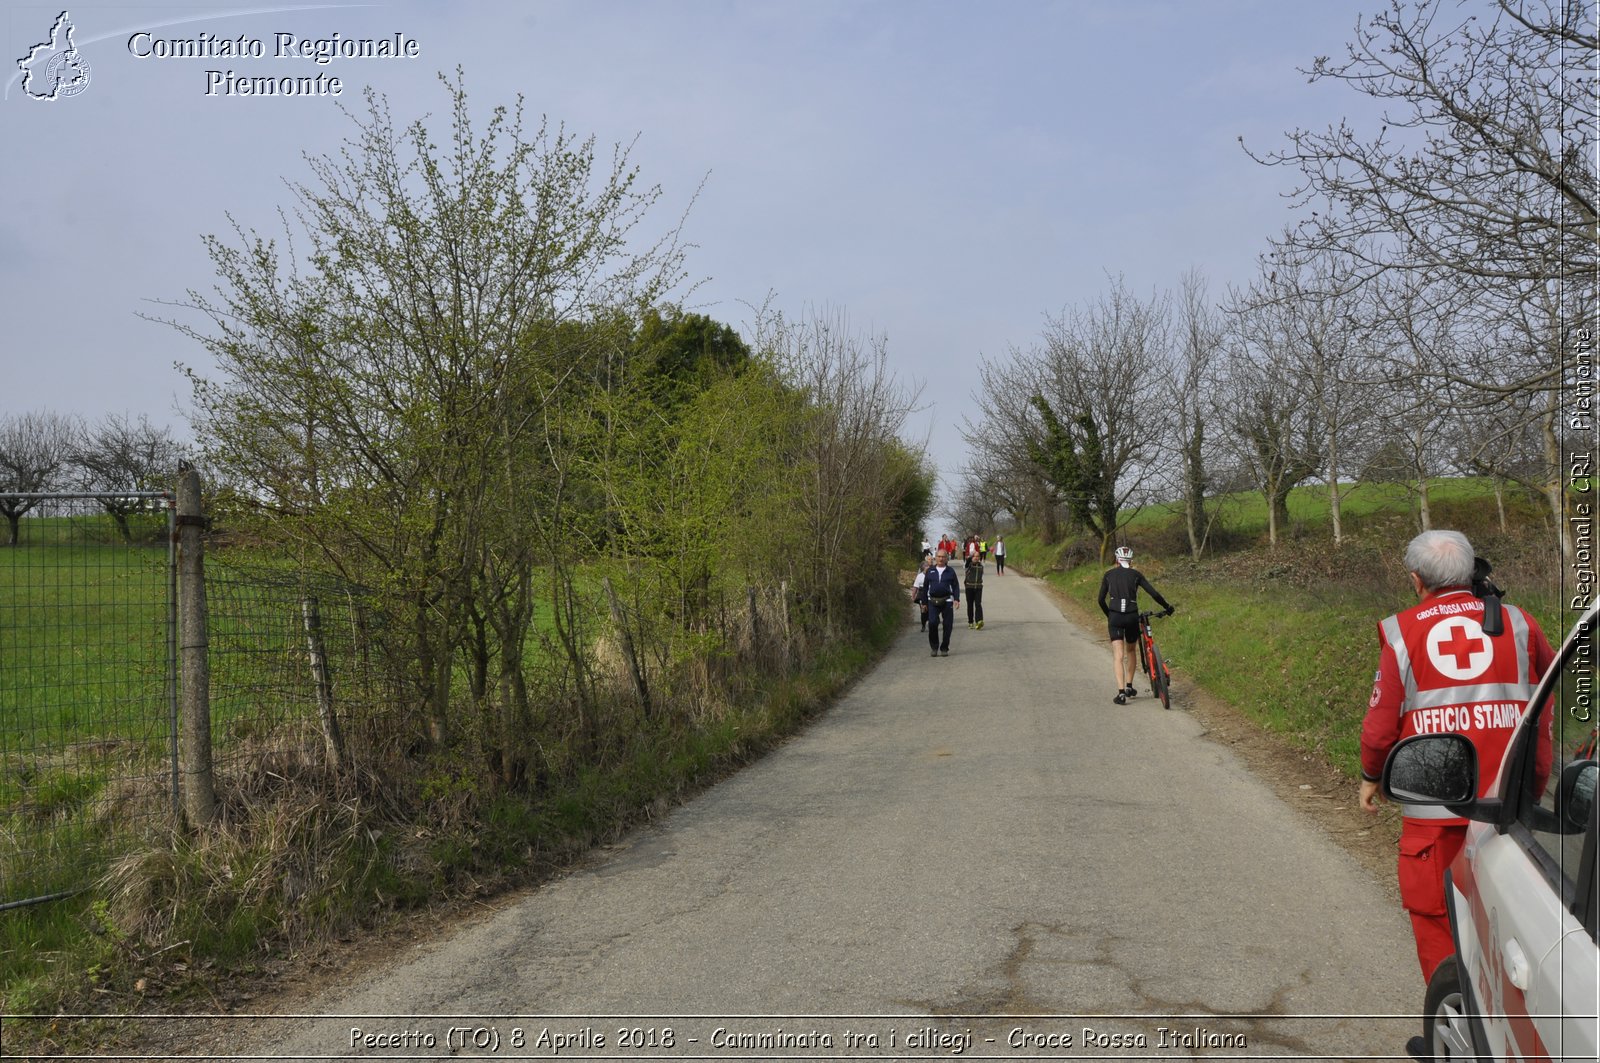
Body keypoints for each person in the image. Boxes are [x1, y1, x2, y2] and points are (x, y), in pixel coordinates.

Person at [1358, 530, 1554, 993]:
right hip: (1509, 808)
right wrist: (1536, 783)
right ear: (1472, 572)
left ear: (1416, 580)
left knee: (1438, 926)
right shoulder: (1520, 623)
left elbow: (1381, 724)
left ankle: (1452, 1025)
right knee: (1519, 933)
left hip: (1435, 819)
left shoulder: (1402, 631)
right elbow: (1543, 712)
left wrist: (1371, 775)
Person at [1097, 545, 1172, 704]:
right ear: (1130, 561)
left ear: (1117, 560)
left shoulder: (1108, 575)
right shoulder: (1136, 575)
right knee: (1131, 650)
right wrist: (1167, 607)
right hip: (1131, 616)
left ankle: (1121, 693)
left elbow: (1100, 600)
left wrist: (1109, 615)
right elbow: (1154, 593)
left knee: (1118, 655)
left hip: (1115, 618)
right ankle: (1130, 686)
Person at [923, 549, 961, 656]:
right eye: (939, 556)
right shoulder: (930, 571)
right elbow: (925, 587)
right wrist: (924, 603)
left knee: (948, 625)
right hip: (932, 601)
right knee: (932, 623)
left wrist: (956, 599)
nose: (941, 559)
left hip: (947, 601)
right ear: (935, 558)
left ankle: (944, 648)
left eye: (943, 557)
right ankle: (934, 647)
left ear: (946, 558)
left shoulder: (950, 571)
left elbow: (955, 586)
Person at [963, 551, 984, 629]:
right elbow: (968, 561)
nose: (976, 558)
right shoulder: (968, 565)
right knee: (970, 605)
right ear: (972, 557)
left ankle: (979, 621)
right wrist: (970, 557)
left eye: (978, 556)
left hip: (978, 587)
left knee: (978, 604)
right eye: (975, 556)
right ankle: (970, 621)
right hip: (969, 587)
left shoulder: (981, 566)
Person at [910, 557, 930, 632]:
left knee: (930, 610)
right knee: (923, 610)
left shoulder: (932, 574)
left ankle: (931, 623)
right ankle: (923, 625)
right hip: (922, 594)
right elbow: (915, 587)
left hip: (930, 594)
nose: (928, 567)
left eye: (928, 566)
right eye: (926, 566)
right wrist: (913, 596)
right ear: (923, 568)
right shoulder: (920, 576)